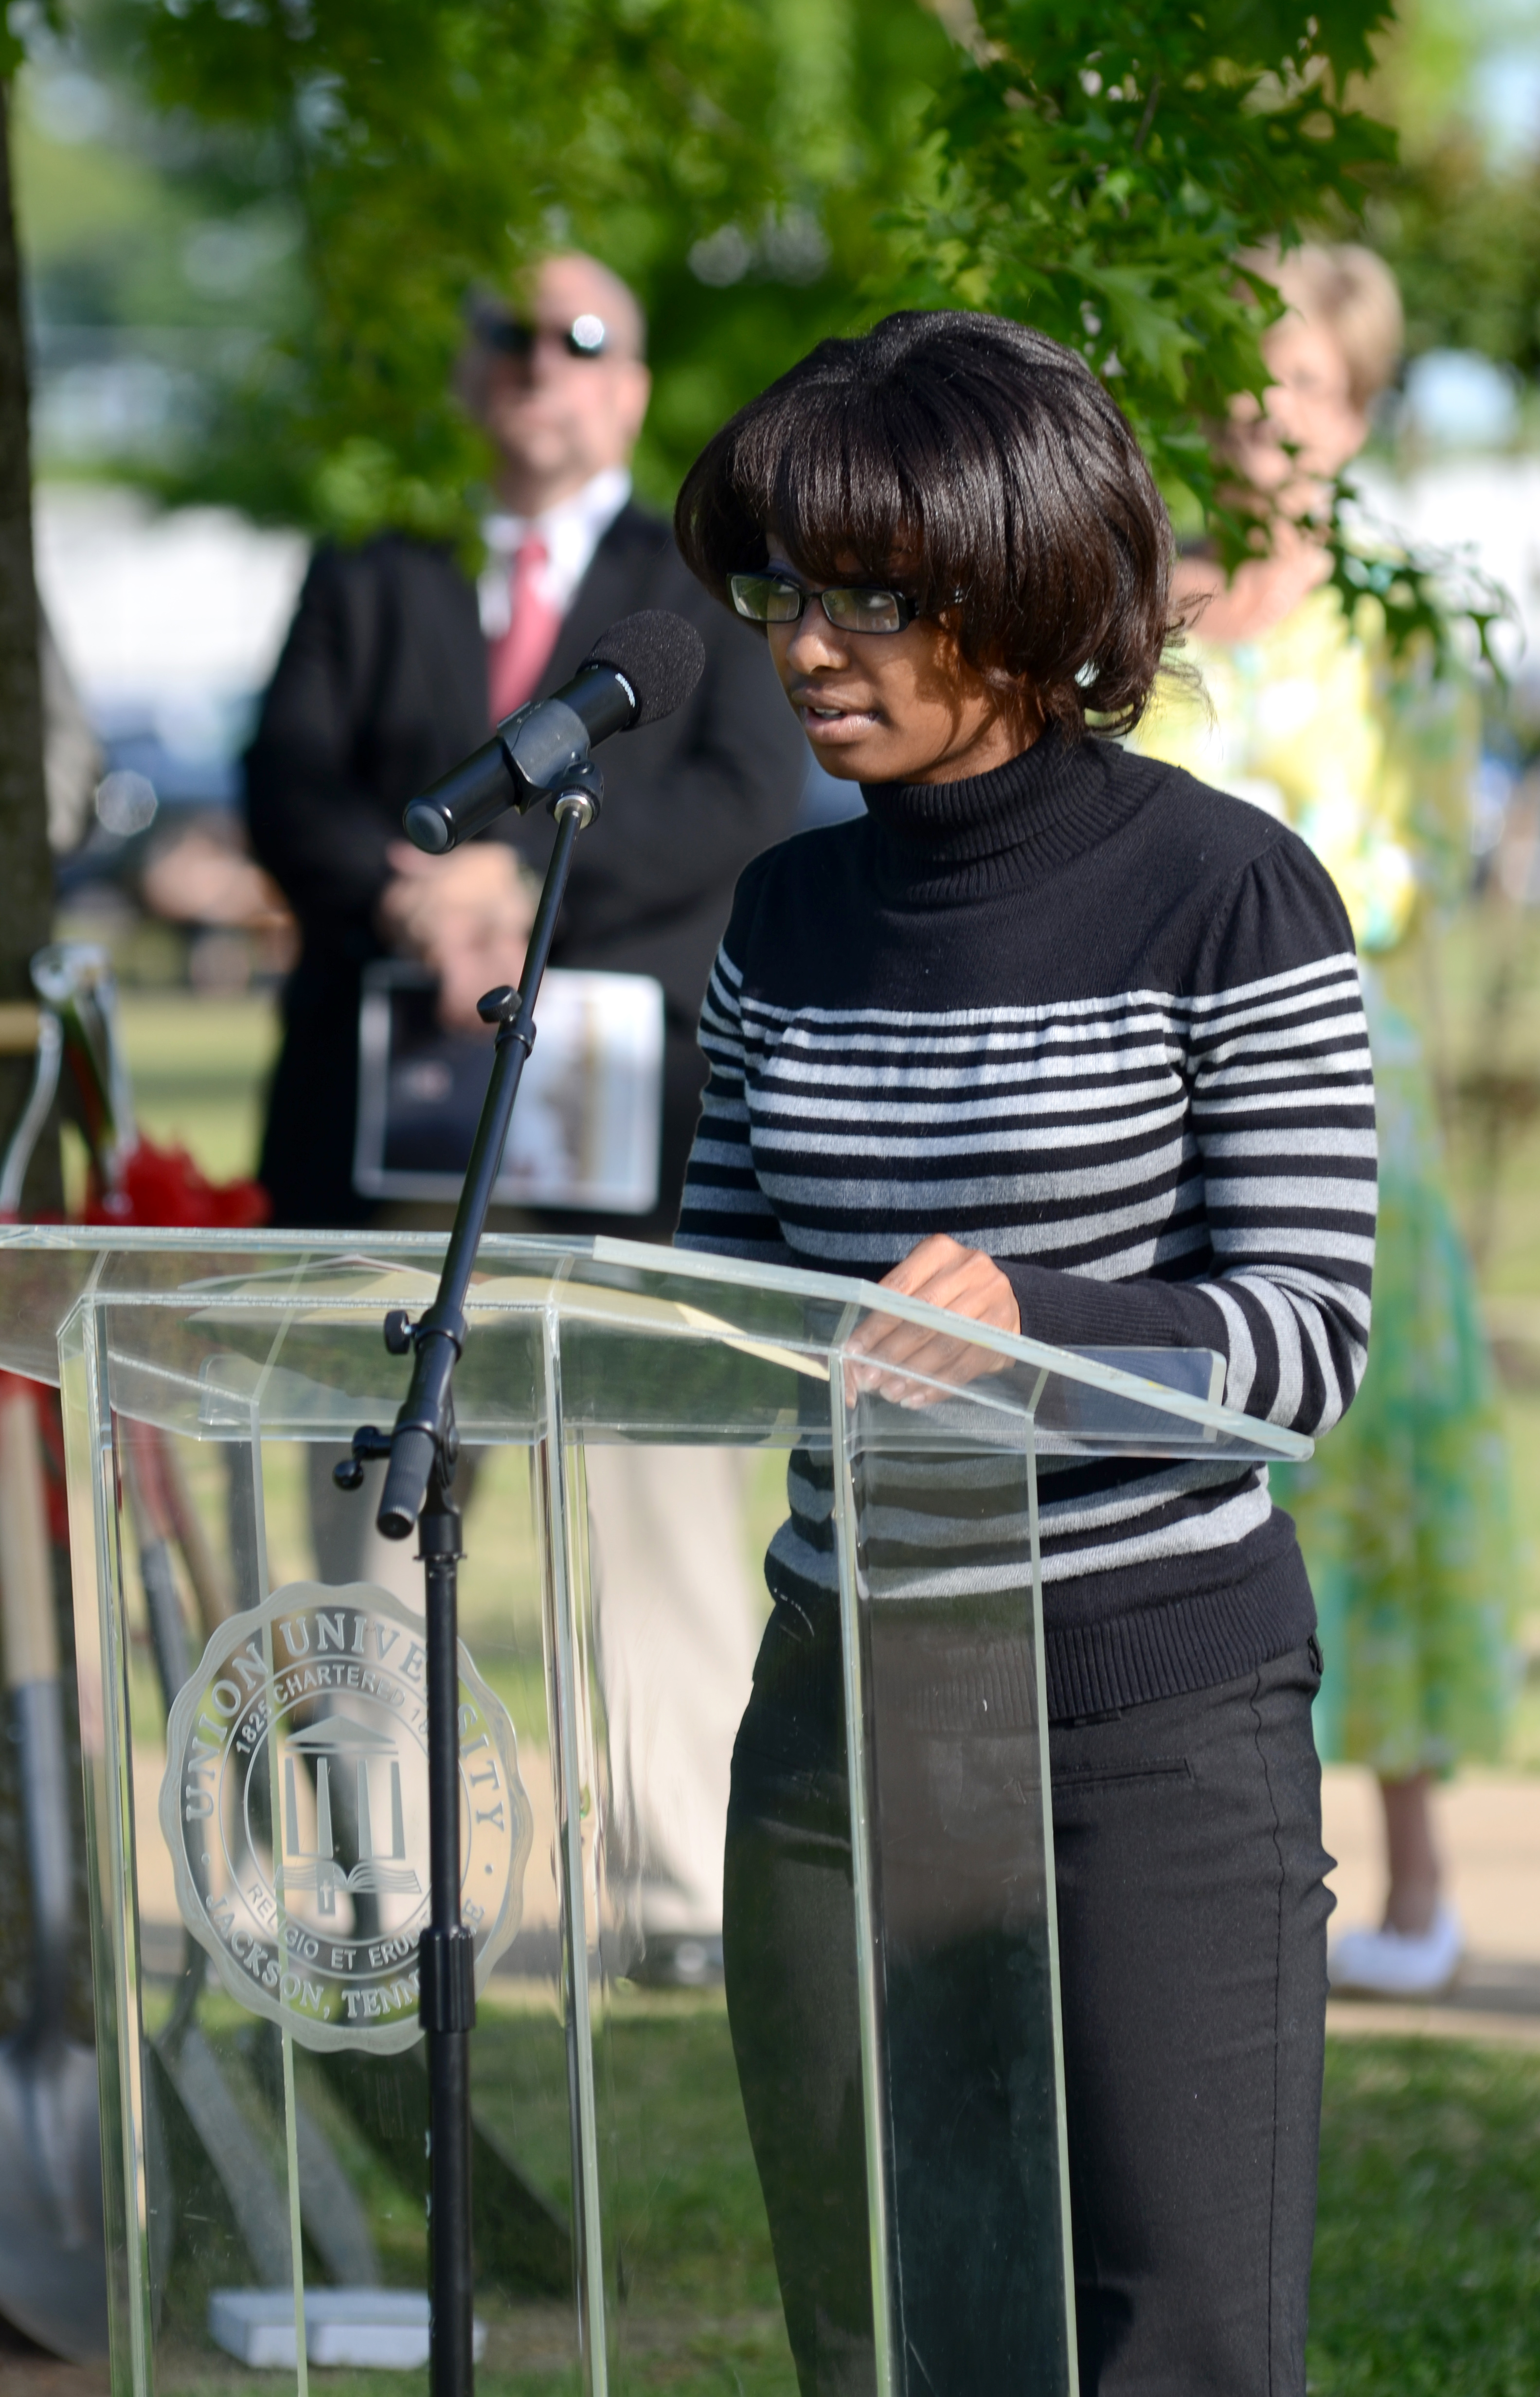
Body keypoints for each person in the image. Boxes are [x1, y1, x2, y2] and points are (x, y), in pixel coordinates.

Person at [671, 310, 1375, 2395]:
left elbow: (1307, 1342)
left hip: (1149, 1724)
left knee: (1182, 2343)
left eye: (871, 597)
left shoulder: (1229, 893)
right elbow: (724, 1298)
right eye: (785, 590)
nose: (810, 646)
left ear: (1023, 582)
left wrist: (1028, 1319)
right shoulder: (781, 918)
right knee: (891, 2337)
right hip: (845, 1718)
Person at [247, 251, 808, 1974]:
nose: (538, 367)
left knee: (651, 1508)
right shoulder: (373, 568)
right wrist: (415, 901)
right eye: (507, 336)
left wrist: (517, 889)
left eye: (579, 342)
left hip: (625, 1131)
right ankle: (380, 1891)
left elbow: (742, 800)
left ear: (629, 386)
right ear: (464, 372)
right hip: (387, 1128)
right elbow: (288, 783)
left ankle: (671, 1898)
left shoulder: (695, 593)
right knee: (371, 1501)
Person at [1134, 243, 1516, 2000]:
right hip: (1155, 1111)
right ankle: (1215, 1867)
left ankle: (1418, 1876)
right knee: (1197, 1469)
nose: (1257, 409)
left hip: (1350, 1098)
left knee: (1376, 1474)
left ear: (1356, 413)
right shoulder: (1142, 615)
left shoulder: (1400, 628)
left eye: (1297, 380)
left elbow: (1414, 872)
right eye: (1238, 372)